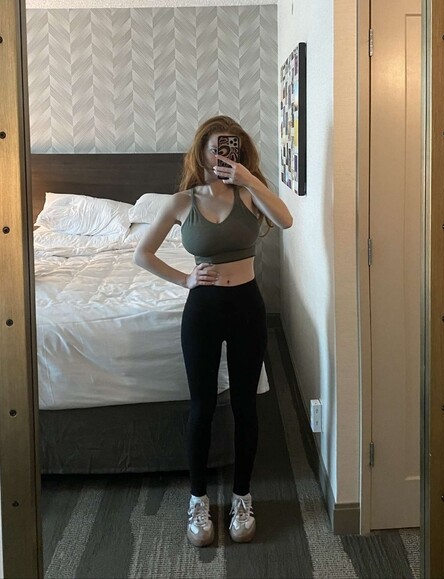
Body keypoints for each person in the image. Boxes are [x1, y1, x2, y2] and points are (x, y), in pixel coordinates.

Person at [133, 115, 293, 547]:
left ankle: (242, 496)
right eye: (218, 146)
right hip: (202, 310)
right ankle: (198, 499)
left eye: (233, 146)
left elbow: (285, 221)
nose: (225, 153)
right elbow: (142, 254)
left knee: (245, 405)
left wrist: (249, 179)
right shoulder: (181, 202)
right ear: (202, 150)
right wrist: (184, 279)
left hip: (247, 308)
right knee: (201, 406)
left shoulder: (249, 194)